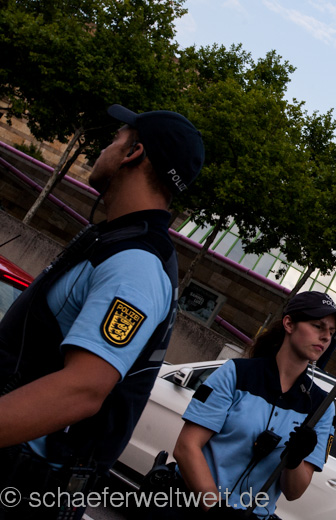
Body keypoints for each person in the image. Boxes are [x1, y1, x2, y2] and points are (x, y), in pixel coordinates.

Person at [0, 104, 204, 519]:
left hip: (21, 485)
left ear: (133, 153)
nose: (104, 149)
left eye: (115, 139)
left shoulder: (136, 264)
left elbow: (82, 390)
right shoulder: (119, 243)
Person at [171, 291, 336, 518]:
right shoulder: (236, 373)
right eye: (318, 326)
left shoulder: (321, 407)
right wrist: (216, 509)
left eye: (332, 332)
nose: (326, 337)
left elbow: (294, 492)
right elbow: (186, 447)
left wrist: (294, 460)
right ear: (289, 323)